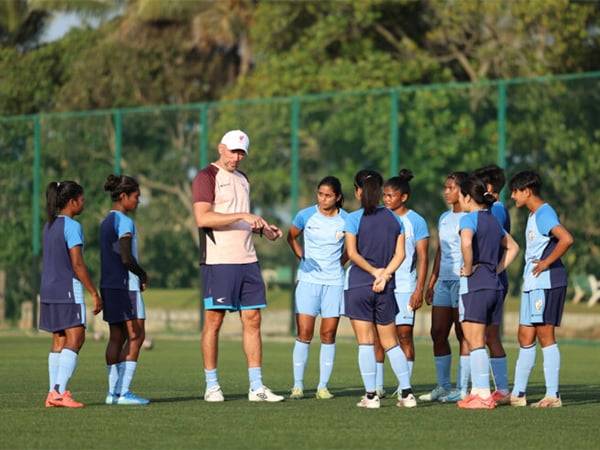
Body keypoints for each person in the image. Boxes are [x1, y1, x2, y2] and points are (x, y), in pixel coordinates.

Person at [192, 130, 284, 402]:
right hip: (219, 261)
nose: (237, 157)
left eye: (241, 153)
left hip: (248, 260)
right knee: (214, 321)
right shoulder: (205, 176)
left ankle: (256, 387)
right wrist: (244, 214)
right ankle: (212, 386)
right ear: (221, 148)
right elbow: (202, 218)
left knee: (253, 319)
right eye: (233, 151)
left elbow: (242, 218)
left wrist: (263, 229)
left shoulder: (243, 179)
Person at [344, 169, 416, 409]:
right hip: (386, 287)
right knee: (391, 342)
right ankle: (407, 394)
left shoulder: (353, 218)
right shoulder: (395, 219)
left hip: (358, 285)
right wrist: (384, 275)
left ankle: (371, 396)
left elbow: (352, 254)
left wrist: (375, 272)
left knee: (365, 342)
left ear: (358, 191)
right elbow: (401, 255)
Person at [509, 171, 573, 408]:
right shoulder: (533, 214)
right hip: (532, 283)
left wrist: (546, 263)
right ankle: (518, 394)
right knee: (524, 335)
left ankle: (552, 395)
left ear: (527, 191)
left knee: (545, 336)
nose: (513, 196)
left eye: (515, 191)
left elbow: (566, 238)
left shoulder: (545, 213)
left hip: (546, 283)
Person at [456, 175, 519, 409]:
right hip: (494, 283)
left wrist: (470, 266)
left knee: (475, 340)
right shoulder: (493, 220)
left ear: (467, 197)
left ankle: (482, 396)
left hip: (477, 284)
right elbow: (513, 247)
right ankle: (479, 392)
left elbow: (466, 243)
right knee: (483, 339)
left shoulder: (468, 219)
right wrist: (497, 267)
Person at [40, 181, 102, 408]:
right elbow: (77, 264)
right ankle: (58, 391)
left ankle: (52, 393)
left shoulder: (48, 225)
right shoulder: (72, 226)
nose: (84, 202)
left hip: (48, 288)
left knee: (60, 338)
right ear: (72, 201)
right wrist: (94, 292)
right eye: (82, 198)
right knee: (76, 337)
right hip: (67, 288)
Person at [287, 176, 348, 400]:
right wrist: (302, 256)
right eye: (320, 194)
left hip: (334, 283)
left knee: (328, 334)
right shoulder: (305, 215)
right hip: (308, 281)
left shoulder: (347, 220)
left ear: (338, 197)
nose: (323, 199)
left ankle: (323, 387)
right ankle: (298, 386)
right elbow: (291, 236)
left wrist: (340, 263)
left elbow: (352, 248)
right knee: (304, 333)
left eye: (328, 195)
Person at [377, 169, 429, 394]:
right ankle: (377, 386)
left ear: (404, 197)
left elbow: (423, 257)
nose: (386, 199)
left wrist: (419, 289)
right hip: (382, 284)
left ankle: (403, 386)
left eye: (391, 195)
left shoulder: (415, 221)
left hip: (406, 286)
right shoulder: (378, 216)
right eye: (384, 195)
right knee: (379, 337)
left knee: (404, 335)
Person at [100, 174, 149, 406]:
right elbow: (127, 258)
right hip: (126, 285)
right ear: (123, 196)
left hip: (108, 285)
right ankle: (123, 392)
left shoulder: (105, 221)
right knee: (137, 335)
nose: (138, 201)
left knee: (116, 337)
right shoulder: (125, 222)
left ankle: (112, 393)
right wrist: (142, 274)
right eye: (136, 197)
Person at [421, 172, 469, 403]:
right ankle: (443, 385)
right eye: (445, 187)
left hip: (463, 281)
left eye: (451, 187)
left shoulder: (471, 217)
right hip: (444, 281)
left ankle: (463, 388)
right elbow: (440, 250)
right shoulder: (444, 217)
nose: (446, 191)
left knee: (463, 334)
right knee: (438, 332)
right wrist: (432, 281)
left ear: (463, 190)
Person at [473, 164, 511, 404]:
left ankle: (489, 390)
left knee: (484, 335)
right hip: (491, 278)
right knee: (487, 335)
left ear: (488, 188)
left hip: (488, 279)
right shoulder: (496, 210)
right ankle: (498, 389)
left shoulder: (494, 211)